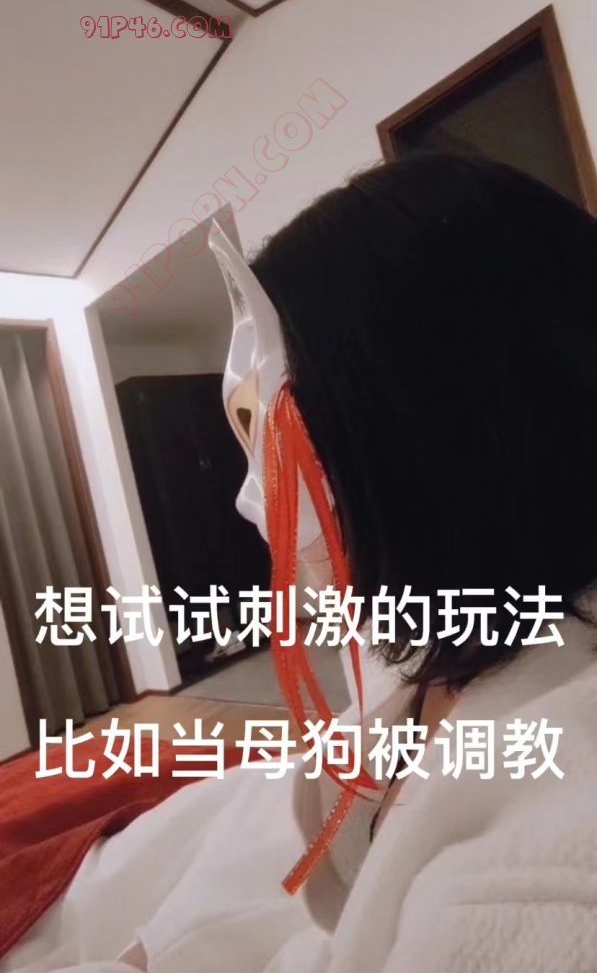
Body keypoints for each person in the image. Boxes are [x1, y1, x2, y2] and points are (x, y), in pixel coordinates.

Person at [5, 152, 597, 972]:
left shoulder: (535, 886)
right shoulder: (474, 649)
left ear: (415, 430)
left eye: (276, 435)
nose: (252, 498)